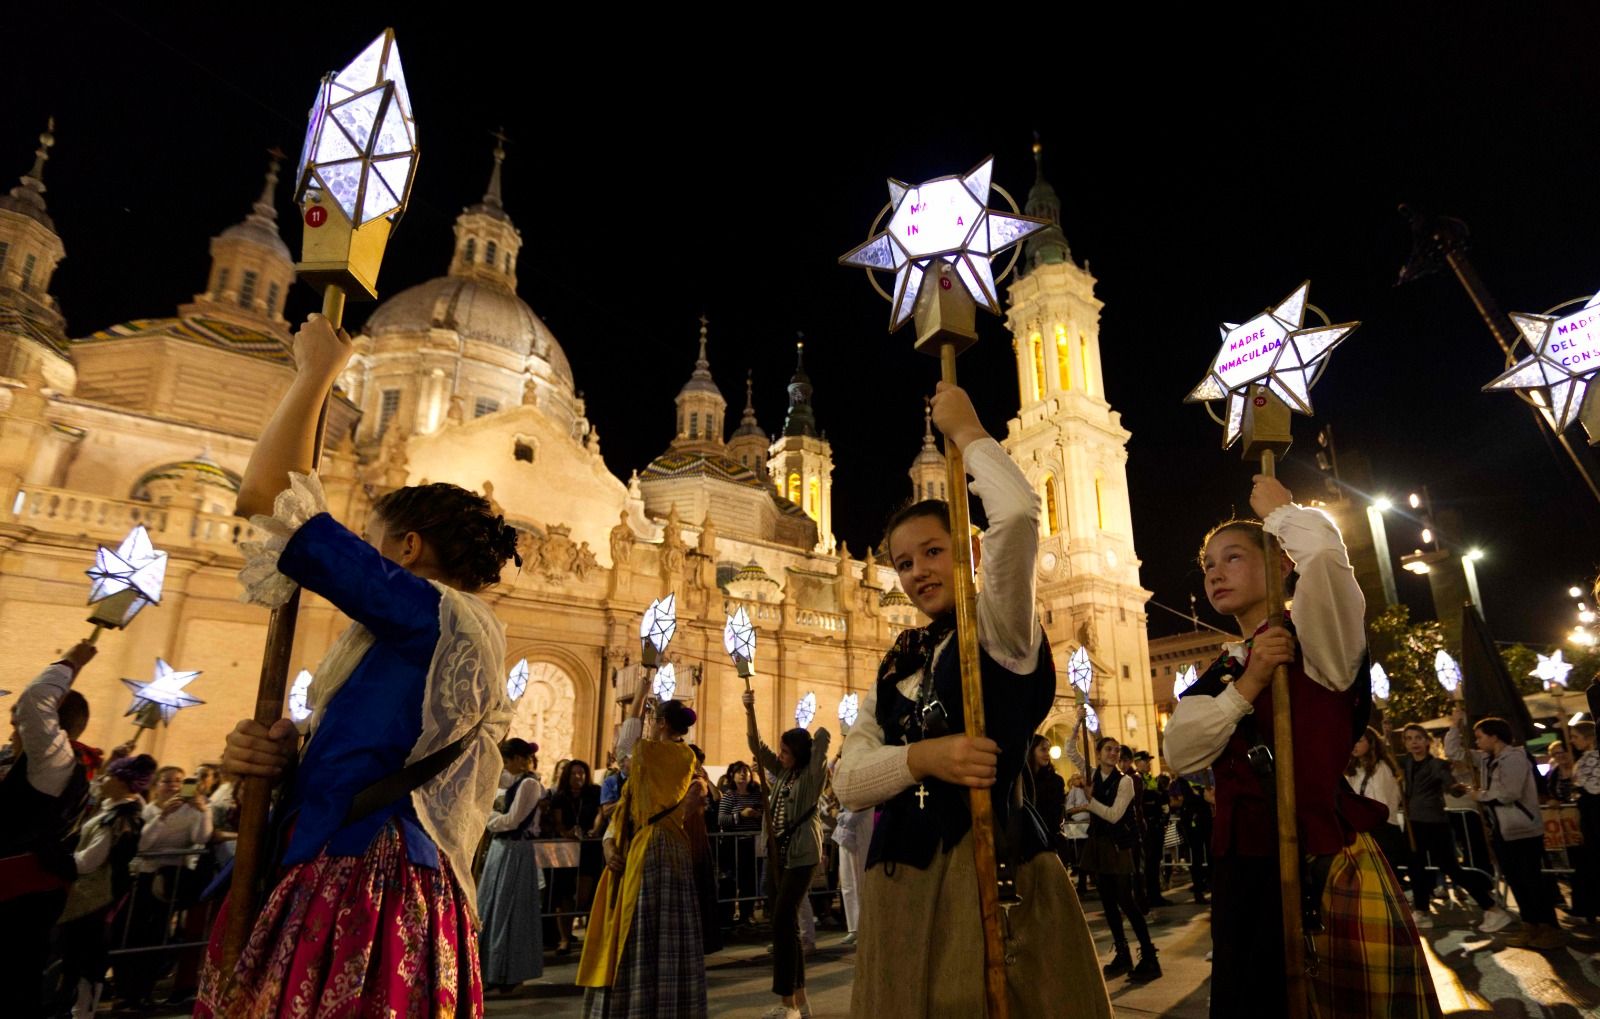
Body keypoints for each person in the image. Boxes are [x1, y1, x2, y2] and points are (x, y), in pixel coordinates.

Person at [196, 313, 518, 1018]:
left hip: (363, 889)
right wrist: (283, 758)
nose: (360, 562)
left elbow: (266, 498)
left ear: (403, 550)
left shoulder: (431, 616)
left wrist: (316, 372)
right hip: (370, 874)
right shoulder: (434, 639)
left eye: (369, 546)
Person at [834, 382, 1111, 1019]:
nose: (919, 571)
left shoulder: (999, 631)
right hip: (899, 885)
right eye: (904, 563)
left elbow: (1016, 514)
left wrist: (968, 432)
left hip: (994, 869)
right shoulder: (896, 662)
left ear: (971, 550)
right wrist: (922, 759)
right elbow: (848, 783)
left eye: (934, 551)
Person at [1164, 475, 1439, 1018]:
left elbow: (1329, 559)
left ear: (1281, 565)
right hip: (1245, 875)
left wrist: (1284, 514)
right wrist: (1250, 681)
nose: (1215, 572)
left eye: (1233, 557)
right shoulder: (1223, 671)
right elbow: (1181, 751)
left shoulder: (1318, 641)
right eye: (1208, 564)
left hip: (1317, 864)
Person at [576, 672, 706, 1017]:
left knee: (639, 927)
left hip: (648, 849)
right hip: (675, 848)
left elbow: (623, 747)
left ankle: (636, 1003)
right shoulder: (688, 757)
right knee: (672, 929)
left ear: (661, 723)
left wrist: (641, 693)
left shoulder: (647, 754)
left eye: (653, 719)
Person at [0, 640, 95, 1019]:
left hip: (18, 896)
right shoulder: (40, 766)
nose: (13, 729)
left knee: (14, 990)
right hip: (23, 893)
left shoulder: (54, 761)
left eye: (17, 723)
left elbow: (36, 699)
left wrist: (73, 661)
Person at [745, 687, 831, 1019]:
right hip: (778, 853)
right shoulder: (782, 773)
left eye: (785, 750)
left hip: (802, 854)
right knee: (786, 926)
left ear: (797, 752)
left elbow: (822, 739)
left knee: (783, 922)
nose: (778, 755)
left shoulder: (811, 777)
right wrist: (748, 709)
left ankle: (786, 1004)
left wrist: (811, 737)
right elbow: (758, 747)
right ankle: (801, 1000)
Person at [1446, 710, 1562, 948]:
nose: (1477, 741)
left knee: (1532, 880)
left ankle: (1549, 928)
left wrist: (1480, 795)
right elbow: (1454, 752)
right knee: (1517, 881)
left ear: (1495, 737)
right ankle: (1530, 925)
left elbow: (1508, 793)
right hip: (1502, 829)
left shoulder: (1515, 758)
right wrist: (1455, 726)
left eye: (1480, 737)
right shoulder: (1487, 760)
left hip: (1523, 829)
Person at [57, 753, 155, 1018]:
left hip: (96, 896)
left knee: (84, 960)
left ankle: (82, 1013)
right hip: (90, 894)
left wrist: (53, 859)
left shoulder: (121, 817)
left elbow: (89, 861)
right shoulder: (112, 809)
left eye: (110, 775)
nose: (103, 779)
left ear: (123, 782)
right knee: (79, 958)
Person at [1066, 726, 1161, 981]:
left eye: (1116, 749)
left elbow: (1114, 815)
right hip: (1099, 845)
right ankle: (1122, 953)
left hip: (1119, 846)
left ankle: (1150, 957)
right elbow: (1069, 751)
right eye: (1108, 749)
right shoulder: (1094, 773)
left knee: (1126, 902)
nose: (1113, 753)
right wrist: (1077, 724)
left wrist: (1089, 801)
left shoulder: (1126, 781)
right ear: (1098, 753)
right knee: (1108, 903)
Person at [1399, 722, 1505, 930]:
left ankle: (1491, 907)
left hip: (1434, 823)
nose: (1414, 743)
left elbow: (1448, 784)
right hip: (1413, 823)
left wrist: (1457, 789)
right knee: (1416, 868)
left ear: (1427, 742)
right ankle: (1421, 911)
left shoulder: (1437, 765)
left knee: (1450, 868)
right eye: (1409, 739)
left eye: (1418, 738)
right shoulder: (1406, 763)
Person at [479, 738, 544, 992]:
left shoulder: (529, 784)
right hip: (500, 849)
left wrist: (487, 817)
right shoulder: (513, 781)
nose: (504, 766)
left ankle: (509, 971)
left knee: (509, 909)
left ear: (519, 759)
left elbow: (513, 821)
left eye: (507, 761)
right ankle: (490, 970)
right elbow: (492, 780)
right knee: (491, 906)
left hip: (515, 850)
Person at [549, 758, 603, 954]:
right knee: (563, 894)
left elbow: (600, 813)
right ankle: (564, 938)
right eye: (574, 773)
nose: (578, 777)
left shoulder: (594, 793)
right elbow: (557, 821)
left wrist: (594, 831)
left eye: (581, 773)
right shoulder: (560, 797)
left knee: (585, 893)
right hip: (565, 848)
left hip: (589, 848)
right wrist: (566, 832)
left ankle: (590, 938)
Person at [1346, 725, 1407, 871]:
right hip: (1366, 830)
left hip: (1383, 830)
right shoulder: (1356, 770)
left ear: (1371, 743)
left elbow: (1382, 803)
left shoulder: (1381, 768)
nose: (1354, 744)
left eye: (1359, 740)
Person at [718, 760, 765, 925]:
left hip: (753, 844)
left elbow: (766, 812)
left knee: (750, 881)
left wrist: (758, 815)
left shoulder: (756, 794)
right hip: (734, 844)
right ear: (732, 775)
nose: (743, 775)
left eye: (746, 772)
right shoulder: (730, 796)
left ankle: (747, 914)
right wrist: (741, 815)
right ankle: (727, 917)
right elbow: (722, 819)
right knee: (731, 882)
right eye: (739, 772)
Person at [1131, 749, 1172, 907]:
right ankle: (1147, 895)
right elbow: (1144, 801)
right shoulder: (1136, 779)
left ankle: (1155, 895)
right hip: (1146, 827)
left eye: (1149, 761)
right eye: (1145, 761)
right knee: (1147, 863)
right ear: (1137, 762)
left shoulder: (1151, 779)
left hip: (1156, 825)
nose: (1148, 763)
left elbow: (1161, 798)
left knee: (1155, 861)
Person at [1171, 777, 1212, 903]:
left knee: (1209, 855)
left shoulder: (1205, 774)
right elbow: (1178, 799)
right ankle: (1199, 891)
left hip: (1204, 817)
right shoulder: (1181, 780)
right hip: (1192, 820)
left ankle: (1208, 886)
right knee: (1197, 856)